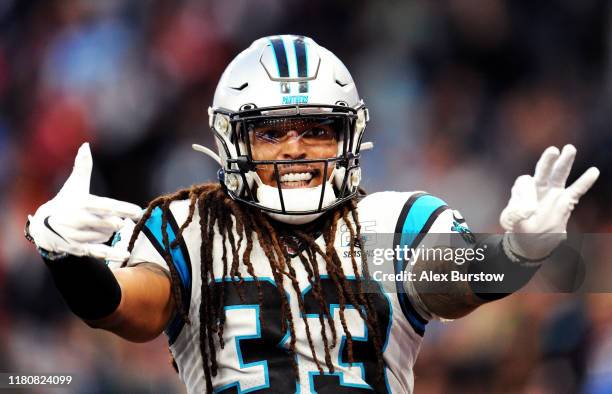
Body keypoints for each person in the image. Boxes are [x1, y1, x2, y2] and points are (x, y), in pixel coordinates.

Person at [24, 35, 600, 393]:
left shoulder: (387, 223)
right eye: (272, 133)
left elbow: (450, 283)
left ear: (348, 136)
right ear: (234, 140)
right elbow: (130, 310)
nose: (296, 149)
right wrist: (69, 262)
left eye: (319, 130)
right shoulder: (190, 226)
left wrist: (516, 254)